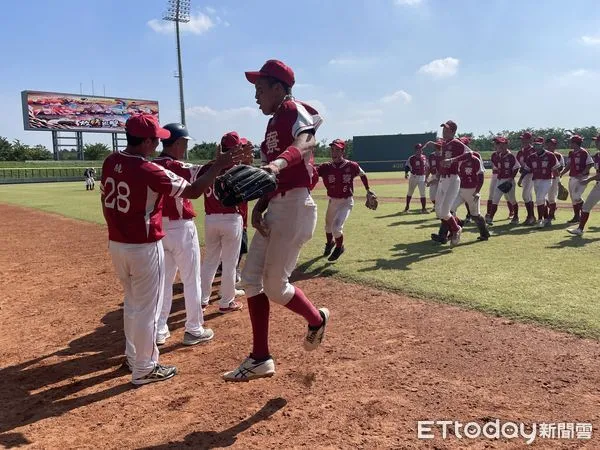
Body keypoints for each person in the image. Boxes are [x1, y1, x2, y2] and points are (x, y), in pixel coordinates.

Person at [101, 113, 246, 385]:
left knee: (133, 304)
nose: (157, 143)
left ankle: (133, 356)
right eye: (154, 139)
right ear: (144, 141)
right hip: (143, 245)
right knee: (148, 305)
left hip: (117, 244)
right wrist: (218, 166)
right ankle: (145, 366)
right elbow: (192, 191)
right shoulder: (148, 169)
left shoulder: (111, 161)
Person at [223, 59, 330, 382]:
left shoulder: (292, 109)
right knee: (251, 280)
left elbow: (307, 140)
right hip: (277, 206)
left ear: (278, 88)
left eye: (260, 89)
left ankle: (316, 319)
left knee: (274, 286)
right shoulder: (272, 124)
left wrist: (278, 165)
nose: (256, 96)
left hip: (296, 206)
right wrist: (259, 208)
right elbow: (271, 178)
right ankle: (260, 358)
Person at [153, 123, 214, 347]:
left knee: (164, 282)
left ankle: (159, 329)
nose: (186, 147)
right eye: (185, 143)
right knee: (191, 280)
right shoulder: (174, 165)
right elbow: (203, 172)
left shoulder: (151, 164)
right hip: (181, 228)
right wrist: (221, 162)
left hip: (160, 229)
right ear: (177, 143)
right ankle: (194, 328)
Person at [199, 131, 249, 314]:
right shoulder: (237, 168)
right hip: (230, 218)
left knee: (210, 261)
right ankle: (226, 302)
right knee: (229, 263)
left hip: (210, 217)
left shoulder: (207, 168)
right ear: (235, 148)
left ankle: (202, 301)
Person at [316, 138, 374, 261]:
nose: (334, 152)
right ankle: (329, 243)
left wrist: (368, 190)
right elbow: (312, 174)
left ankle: (339, 247)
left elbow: (363, 175)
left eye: (337, 150)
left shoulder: (352, 165)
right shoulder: (325, 167)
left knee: (336, 228)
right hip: (332, 201)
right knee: (328, 227)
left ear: (343, 152)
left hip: (346, 202)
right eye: (332, 149)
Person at [423, 120, 472, 246]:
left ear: (453, 131)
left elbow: (470, 154)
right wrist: (437, 177)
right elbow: (443, 162)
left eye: (447, 129)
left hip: (453, 179)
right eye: (443, 129)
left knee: (445, 212)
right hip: (443, 179)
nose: (444, 131)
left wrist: (453, 159)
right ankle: (457, 224)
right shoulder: (445, 144)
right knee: (439, 212)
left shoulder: (456, 143)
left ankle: (456, 229)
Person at [519, 137, 560, 228]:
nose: (537, 146)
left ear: (543, 145)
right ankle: (546, 219)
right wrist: (520, 179)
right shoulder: (531, 156)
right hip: (536, 180)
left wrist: (559, 182)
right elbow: (526, 169)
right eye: (535, 144)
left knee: (539, 199)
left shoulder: (550, 155)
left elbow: (555, 170)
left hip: (547, 180)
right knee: (541, 200)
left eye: (539, 144)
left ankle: (540, 219)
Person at [450, 151, 490, 240]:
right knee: (450, 210)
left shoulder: (475, 160)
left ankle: (485, 234)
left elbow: (481, 177)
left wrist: (477, 191)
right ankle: (456, 227)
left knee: (475, 215)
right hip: (461, 190)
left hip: (472, 190)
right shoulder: (460, 161)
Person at [567, 136, 600, 236]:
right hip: (598, 185)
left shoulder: (585, 153)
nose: (596, 143)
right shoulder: (597, 155)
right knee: (585, 207)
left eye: (597, 141)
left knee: (585, 207)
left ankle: (580, 229)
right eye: (596, 141)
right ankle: (580, 229)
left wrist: (587, 180)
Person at [486, 136, 520, 225]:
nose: (499, 145)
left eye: (501, 143)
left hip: (509, 181)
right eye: (497, 143)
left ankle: (516, 217)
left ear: (506, 144)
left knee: (512, 200)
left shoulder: (511, 156)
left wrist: (511, 179)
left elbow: (516, 167)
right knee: (495, 199)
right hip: (500, 180)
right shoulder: (498, 155)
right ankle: (490, 218)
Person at [560, 135, 594, 223]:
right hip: (572, 177)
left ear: (575, 143)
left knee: (576, 196)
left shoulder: (584, 152)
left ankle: (584, 211)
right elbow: (568, 166)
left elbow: (590, 164)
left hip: (582, 178)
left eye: (570, 142)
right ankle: (576, 216)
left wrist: (582, 173)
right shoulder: (571, 153)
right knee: (573, 198)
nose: (569, 143)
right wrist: (562, 173)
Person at [516, 131, 536, 225]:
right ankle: (532, 217)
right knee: (528, 196)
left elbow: (531, 166)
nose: (523, 140)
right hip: (524, 174)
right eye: (522, 139)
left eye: (525, 139)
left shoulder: (533, 150)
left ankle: (530, 216)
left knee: (525, 195)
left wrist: (521, 177)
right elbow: (519, 165)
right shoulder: (521, 152)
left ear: (530, 140)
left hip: (531, 174)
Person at [404, 144, 428, 213]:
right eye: (418, 149)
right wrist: (406, 173)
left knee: (423, 193)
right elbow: (407, 166)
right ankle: (407, 207)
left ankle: (423, 209)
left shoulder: (424, 157)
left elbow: (426, 167)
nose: (419, 150)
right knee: (410, 192)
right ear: (415, 150)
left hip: (422, 177)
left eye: (420, 149)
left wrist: (426, 177)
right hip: (413, 176)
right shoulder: (411, 158)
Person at [545, 137, 565, 221]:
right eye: (548, 144)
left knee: (552, 198)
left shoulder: (558, 155)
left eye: (552, 145)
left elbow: (561, 167)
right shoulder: (543, 154)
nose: (549, 146)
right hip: (544, 179)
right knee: (544, 198)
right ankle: (547, 215)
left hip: (554, 179)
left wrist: (558, 176)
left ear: (555, 146)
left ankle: (551, 214)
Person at [426, 140, 443, 209]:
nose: (438, 148)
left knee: (441, 194)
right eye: (437, 147)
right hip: (433, 176)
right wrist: (426, 177)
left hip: (443, 177)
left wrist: (434, 180)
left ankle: (440, 208)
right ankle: (436, 206)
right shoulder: (431, 156)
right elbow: (429, 168)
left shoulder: (444, 156)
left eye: (439, 147)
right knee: (432, 196)